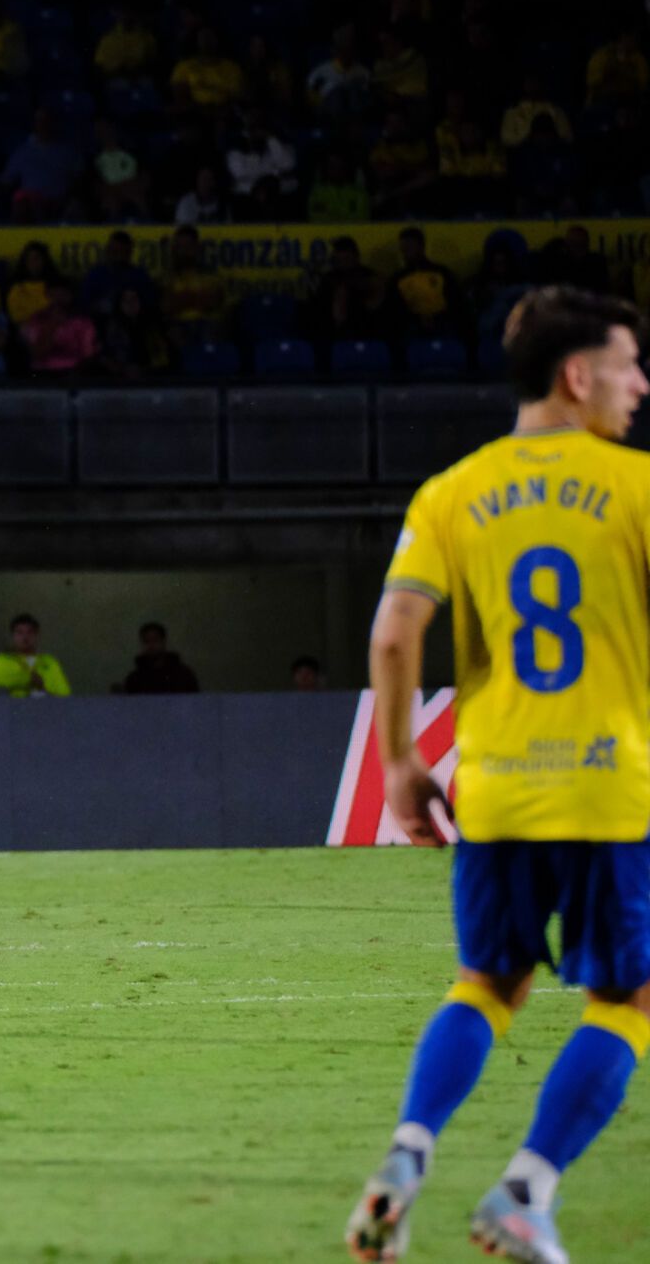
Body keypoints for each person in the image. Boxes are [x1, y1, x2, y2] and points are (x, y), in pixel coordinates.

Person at [345, 287, 650, 1263]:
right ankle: (525, 1189)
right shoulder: (637, 487)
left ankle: (406, 1152)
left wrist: (400, 760)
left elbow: (393, 635)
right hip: (609, 791)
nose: (641, 385)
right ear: (577, 375)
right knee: (628, 999)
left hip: (498, 788)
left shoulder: (451, 491)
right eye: (628, 365)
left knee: (487, 981)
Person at [0, 613, 69, 697]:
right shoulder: (3, 660)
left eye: (30, 632)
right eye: (19, 632)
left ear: (37, 635)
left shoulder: (49, 662)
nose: (25, 637)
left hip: (48, 703)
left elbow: (64, 693)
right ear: (13, 636)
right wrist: (29, 679)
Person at [117, 622, 199, 694]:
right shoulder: (134, 679)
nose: (151, 645)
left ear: (164, 642)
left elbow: (194, 701)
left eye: (155, 640)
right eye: (146, 641)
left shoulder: (183, 675)